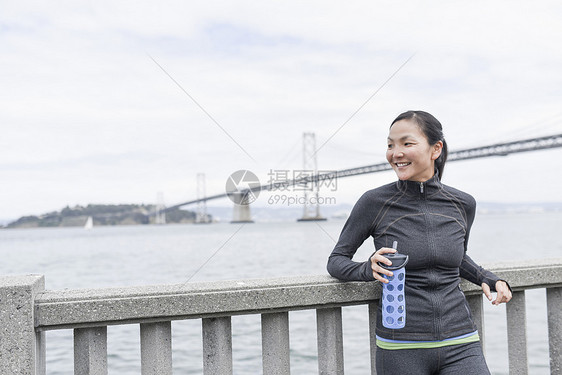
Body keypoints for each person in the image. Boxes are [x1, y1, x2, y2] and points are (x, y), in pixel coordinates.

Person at [327, 110, 512, 374]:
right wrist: (368, 269)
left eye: (406, 143)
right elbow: (336, 261)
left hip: (461, 340)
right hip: (400, 345)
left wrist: (490, 278)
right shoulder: (374, 202)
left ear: (436, 149)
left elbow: (456, 258)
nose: (395, 153)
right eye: (390, 145)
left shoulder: (463, 203)